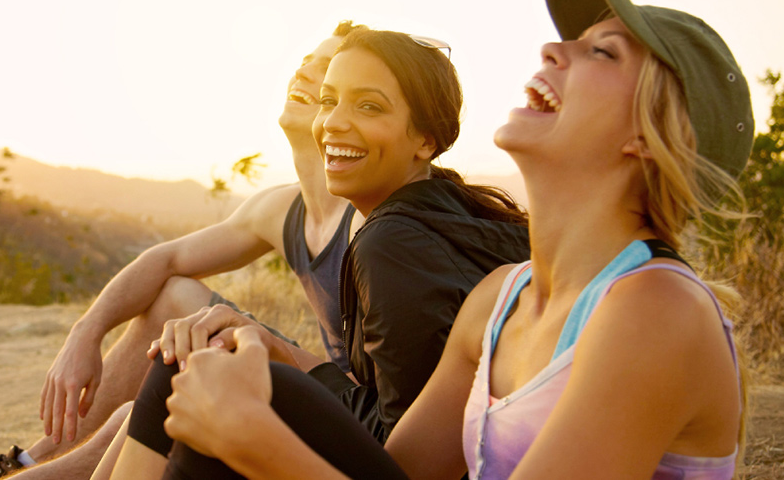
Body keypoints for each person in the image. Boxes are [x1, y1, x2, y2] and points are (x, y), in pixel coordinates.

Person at [110, 0, 755, 479]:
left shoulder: (658, 312)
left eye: (602, 52)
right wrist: (270, 359)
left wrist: (253, 437)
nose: (554, 51)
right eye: (571, 39)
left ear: (647, 135)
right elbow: (396, 472)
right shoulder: (502, 298)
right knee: (198, 368)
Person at [105, 27, 531, 478]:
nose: (333, 123)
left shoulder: (392, 244)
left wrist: (258, 421)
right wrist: (271, 346)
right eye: (329, 101)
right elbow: (406, 402)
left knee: (185, 369)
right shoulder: (450, 209)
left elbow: (406, 450)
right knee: (206, 368)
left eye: (368, 106)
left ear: (425, 140)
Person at [0, 21, 369, 479]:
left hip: (353, 419)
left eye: (326, 66)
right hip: (321, 387)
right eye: (305, 61)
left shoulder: (369, 220)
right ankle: (27, 461)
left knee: (137, 413)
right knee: (175, 295)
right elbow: (164, 259)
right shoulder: (283, 207)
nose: (305, 72)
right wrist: (85, 333)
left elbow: (386, 404)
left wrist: (261, 345)